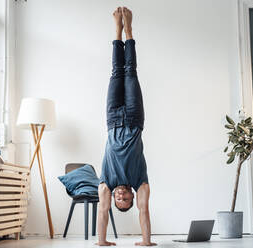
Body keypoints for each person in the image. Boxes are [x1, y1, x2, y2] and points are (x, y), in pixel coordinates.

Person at [96, 7, 156, 247]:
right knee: (130, 72)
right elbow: (144, 211)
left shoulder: (106, 183)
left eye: (118, 199)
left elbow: (102, 212)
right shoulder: (139, 181)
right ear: (132, 196)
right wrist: (146, 242)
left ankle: (117, 30)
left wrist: (102, 242)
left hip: (112, 119)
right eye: (125, 199)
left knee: (115, 73)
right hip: (133, 117)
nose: (120, 195)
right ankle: (128, 29)